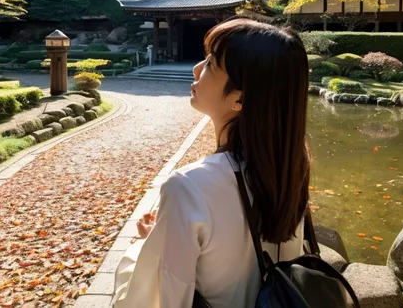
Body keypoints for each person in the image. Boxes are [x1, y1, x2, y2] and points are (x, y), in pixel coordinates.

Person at [112, 18, 311, 308]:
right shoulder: (290, 167)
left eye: (209, 65)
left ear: (240, 98)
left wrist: (146, 244)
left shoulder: (189, 186)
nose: (195, 69)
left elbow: (151, 300)